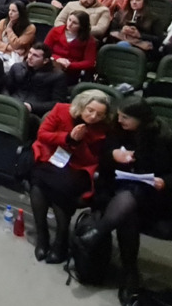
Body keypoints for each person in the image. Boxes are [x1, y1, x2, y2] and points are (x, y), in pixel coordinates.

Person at [74, 98, 172, 305]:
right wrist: (114, 155)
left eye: (125, 117)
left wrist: (165, 181)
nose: (119, 120)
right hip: (120, 187)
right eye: (119, 115)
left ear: (141, 120)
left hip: (155, 194)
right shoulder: (117, 130)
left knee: (131, 201)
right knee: (128, 211)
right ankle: (130, 274)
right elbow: (104, 157)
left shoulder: (166, 138)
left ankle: (101, 233)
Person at [29, 90, 112, 263]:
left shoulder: (103, 128)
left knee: (59, 189)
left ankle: (60, 241)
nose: (93, 116)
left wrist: (78, 142)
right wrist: (68, 138)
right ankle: (42, 236)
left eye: (99, 114)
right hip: (52, 157)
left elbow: (93, 158)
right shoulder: (61, 109)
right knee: (38, 185)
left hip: (79, 167)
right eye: (90, 110)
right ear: (82, 105)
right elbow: (42, 135)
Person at [5, 43, 68, 119]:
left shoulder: (57, 76)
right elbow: (5, 88)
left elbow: (58, 103)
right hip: (13, 104)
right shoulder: (17, 68)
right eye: (30, 53)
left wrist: (32, 107)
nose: (30, 57)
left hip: (35, 112)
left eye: (35, 56)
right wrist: (7, 100)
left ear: (45, 61)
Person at [44, 10, 98, 83]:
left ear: (82, 26)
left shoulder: (89, 40)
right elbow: (45, 50)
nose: (69, 24)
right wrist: (57, 59)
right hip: (52, 65)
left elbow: (89, 62)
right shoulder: (56, 31)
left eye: (74, 23)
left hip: (72, 71)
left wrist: (69, 65)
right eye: (69, 20)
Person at [0, 1, 36, 67]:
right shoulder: (2, 22)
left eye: (14, 11)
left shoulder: (30, 28)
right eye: (9, 10)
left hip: (18, 56)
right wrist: (11, 48)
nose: (10, 13)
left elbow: (17, 45)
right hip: (0, 52)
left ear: (21, 13)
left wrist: (9, 29)